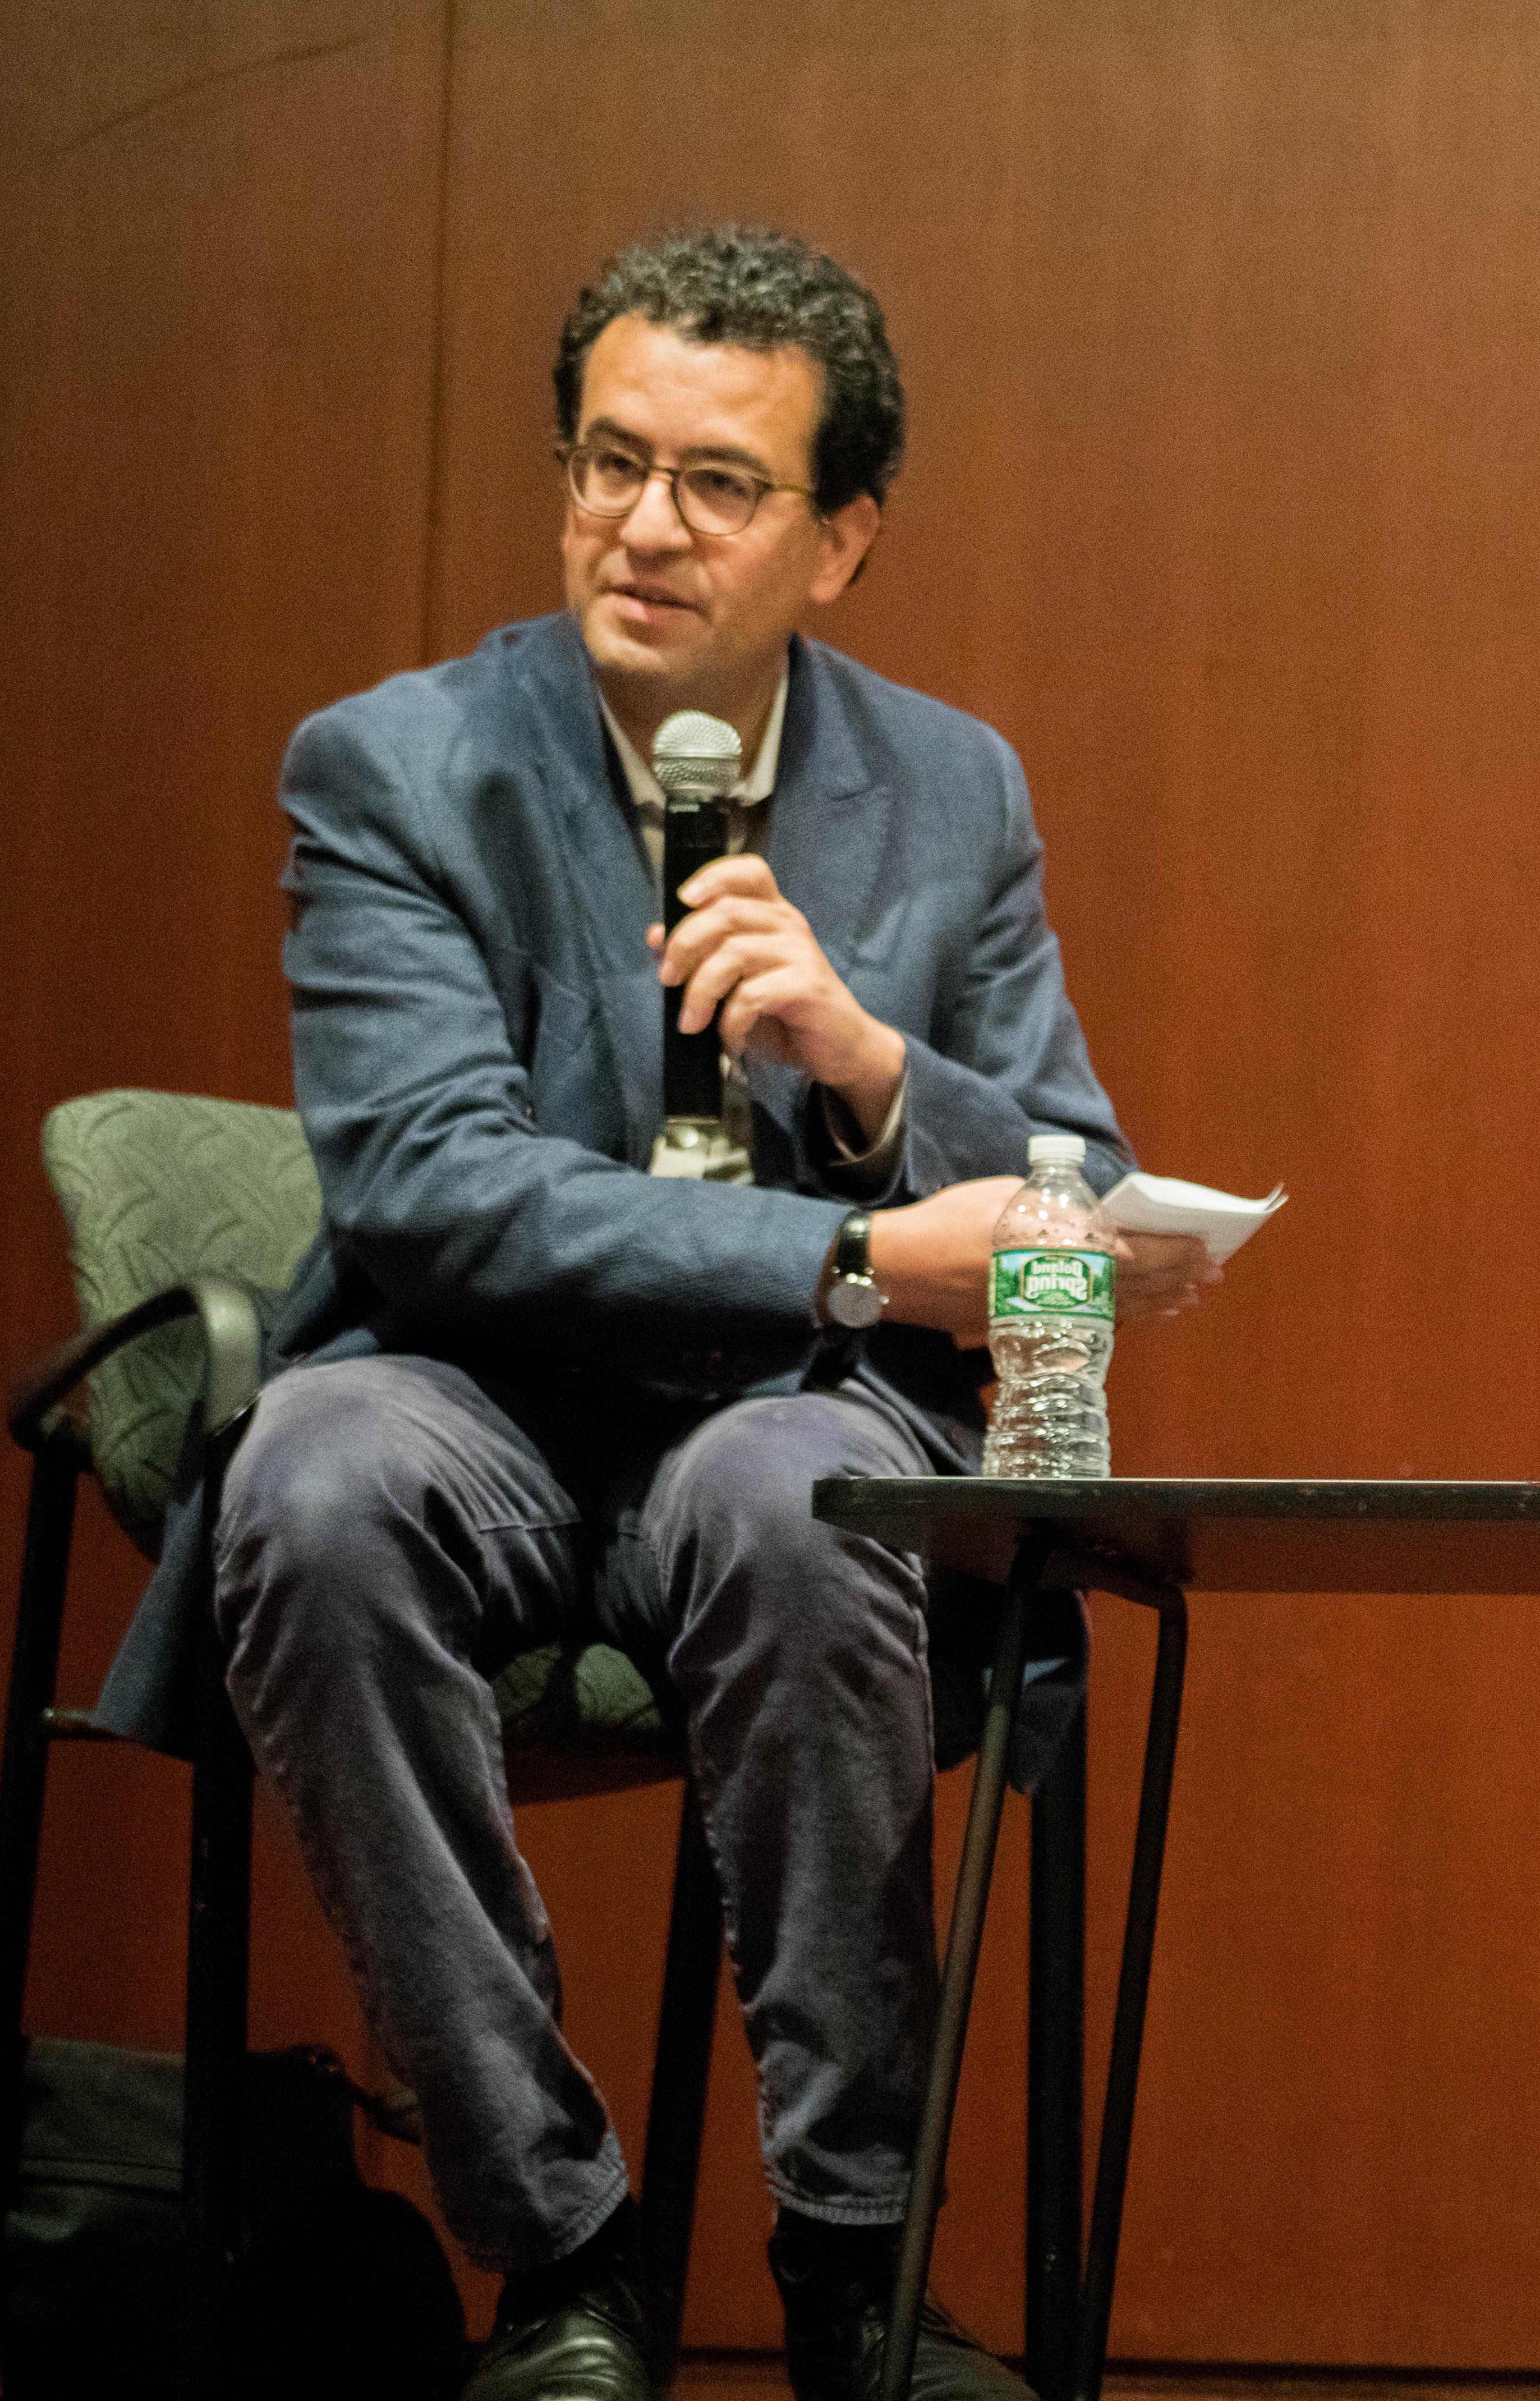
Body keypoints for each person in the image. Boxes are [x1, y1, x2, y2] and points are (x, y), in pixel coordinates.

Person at [89, 223, 1217, 2401]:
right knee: (310, 1480)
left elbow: (1070, 1180)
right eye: (607, 462)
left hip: (796, 1410)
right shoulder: (394, 766)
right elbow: (433, 1188)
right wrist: (863, 1250)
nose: (642, 524)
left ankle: (850, 2263)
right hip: (474, 1386)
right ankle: (563, 2250)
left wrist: (874, 1066)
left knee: (812, 1505)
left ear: (845, 535)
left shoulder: (949, 787)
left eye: (717, 482)